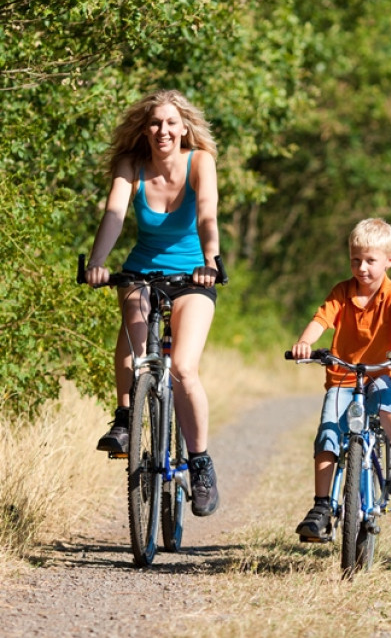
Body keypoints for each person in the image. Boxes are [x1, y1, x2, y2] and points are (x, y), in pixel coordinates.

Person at [84, 89, 222, 517]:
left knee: (182, 368)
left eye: (170, 123)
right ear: (145, 130)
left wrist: (212, 261)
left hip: (193, 274)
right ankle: (126, 417)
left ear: (184, 129)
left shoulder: (200, 162)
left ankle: (199, 463)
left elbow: (206, 215)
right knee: (135, 326)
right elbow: (114, 215)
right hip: (141, 269)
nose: (163, 130)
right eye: (155, 123)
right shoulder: (132, 166)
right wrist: (98, 263)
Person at [291, 217, 391, 542]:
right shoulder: (341, 292)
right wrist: (304, 342)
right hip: (343, 376)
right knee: (328, 434)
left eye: (370, 260)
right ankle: (321, 507)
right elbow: (321, 318)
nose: (362, 268)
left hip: (383, 373)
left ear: (389, 260)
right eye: (355, 260)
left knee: (386, 404)